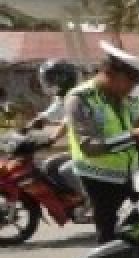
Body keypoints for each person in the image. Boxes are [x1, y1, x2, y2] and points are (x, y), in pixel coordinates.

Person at [64, 42, 139, 243]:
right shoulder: (80, 99)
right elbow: (88, 146)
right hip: (99, 178)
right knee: (109, 233)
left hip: (131, 175)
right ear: (108, 72)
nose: (133, 87)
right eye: (129, 80)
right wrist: (132, 137)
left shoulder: (128, 100)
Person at [25, 59, 83, 194]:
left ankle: (91, 201)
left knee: (66, 171)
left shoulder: (78, 96)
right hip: (81, 150)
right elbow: (52, 112)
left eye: (49, 79)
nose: (46, 82)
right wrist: (28, 127)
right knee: (49, 166)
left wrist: (53, 138)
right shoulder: (61, 97)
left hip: (94, 150)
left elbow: (68, 121)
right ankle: (73, 201)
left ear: (62, 79)